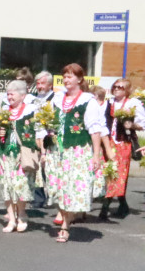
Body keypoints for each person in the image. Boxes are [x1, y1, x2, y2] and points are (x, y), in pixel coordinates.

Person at [43, 63, 107, 242]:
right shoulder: (56, 98)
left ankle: (65, 225)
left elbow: (95, 129)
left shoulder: (88, 101)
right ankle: (65, 217)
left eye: (70, 76)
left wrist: (96, 154)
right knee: (57, 186)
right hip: (57, 149)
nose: (66, 79)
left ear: (79, 79)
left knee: (72, 187)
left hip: (78, 150)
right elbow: (46, 122)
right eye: (64, 76)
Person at [0, 80, 43, 233]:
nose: (9, 97)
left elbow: (40, 132)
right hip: (6, 154)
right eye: (7, 94)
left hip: (24, 154)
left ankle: (21, 214)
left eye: (12, 93)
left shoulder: (32, 110)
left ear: (23, 95)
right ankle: (11, 219)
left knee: (21, 186)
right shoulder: (4, 111)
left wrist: (43, 151)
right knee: (7, 187)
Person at [99, 78, 144, 219]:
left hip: (123, 143)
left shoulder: (133, 103)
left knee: (118, 173)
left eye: (120, 87)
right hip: (108, 142)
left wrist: (131, 125)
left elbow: (142, 124)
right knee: (107, 172)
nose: (117, 89)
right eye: (115, 86)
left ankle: (105, 208)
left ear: (127, 90)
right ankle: (123, 204)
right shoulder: (109, 103)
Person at [31, 71, 56, 208]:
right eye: (38, 83)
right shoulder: (33, 98)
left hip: (48, 137)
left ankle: (53, 196)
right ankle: (38, 198)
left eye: (42, 83)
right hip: (35, 136)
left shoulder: (54, 99)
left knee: (48, 168)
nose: (39, 86)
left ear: (50, 85)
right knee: (36, 168)